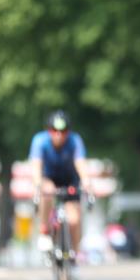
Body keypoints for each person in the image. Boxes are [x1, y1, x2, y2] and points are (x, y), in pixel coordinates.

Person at [29, 110, 91, 268]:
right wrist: (37, 184)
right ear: (48, 131)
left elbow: (81, 164)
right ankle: (44, 231)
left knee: (75, 220)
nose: (58, 135)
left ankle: (74, 257)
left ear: (68, 132)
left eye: (63, 132)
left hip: (69, 180)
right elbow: (36, 166)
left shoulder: (75, 141)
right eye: (54, 131)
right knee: (47, 190)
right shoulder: (40, 141)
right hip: (48, 178)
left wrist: (87, 182)